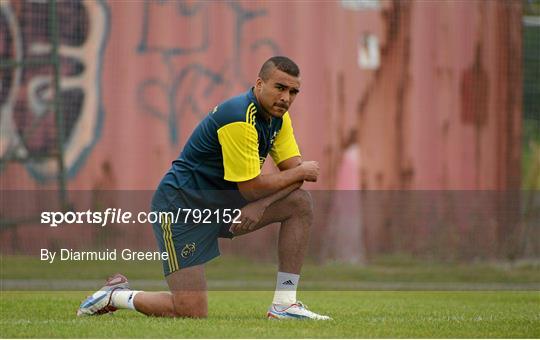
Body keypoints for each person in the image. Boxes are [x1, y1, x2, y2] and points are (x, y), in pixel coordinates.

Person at [77, 56, 330, 320]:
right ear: (259, 84)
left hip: (225, 205)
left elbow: (294, 177)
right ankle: (114, 295)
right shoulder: (240, 118)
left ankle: (284, 304)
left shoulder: (278, 118)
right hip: (182, 208)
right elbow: (255, 187)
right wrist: (282, 184)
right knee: (191, 312)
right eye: (280, 87)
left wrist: (264, 203)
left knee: (300, 202)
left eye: (293, 92)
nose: (286, 98)